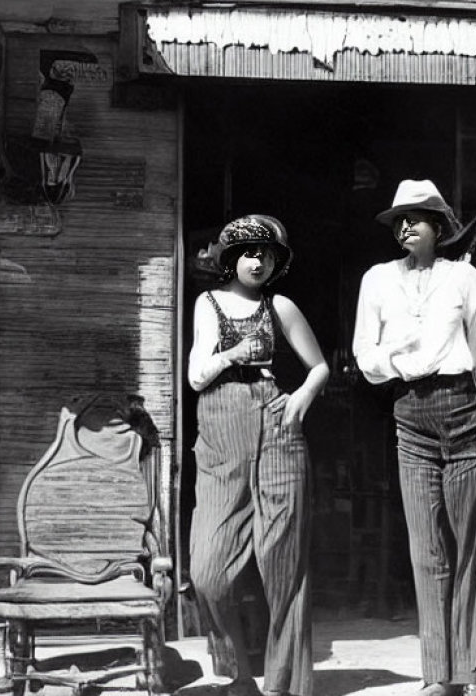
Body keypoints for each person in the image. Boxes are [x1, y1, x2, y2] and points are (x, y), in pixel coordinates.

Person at [352, 179, 476, 696]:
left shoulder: (465, 278)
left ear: (438, 227)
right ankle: (437, 675)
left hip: (466, 411)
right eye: (399, 218)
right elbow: (365, 358)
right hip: (410, 416)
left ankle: (471, 674)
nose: (405, 225)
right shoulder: (376, 280)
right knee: (427, 551)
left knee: (472, 549)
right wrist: (398, 350)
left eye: (416, 217)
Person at [188, 214, 329, 696]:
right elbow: (195, 376)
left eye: (267, 254)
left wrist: (301, 399)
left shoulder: (281, 306)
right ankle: (238, 675)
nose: (258, 261)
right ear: (231, 259)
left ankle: (282, 686)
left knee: (283, 563)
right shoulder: (208, 304)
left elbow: (319, 368)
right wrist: (233, 353)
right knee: (207, 570)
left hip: (276, 425)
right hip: (221, 427)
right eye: (249, 253)